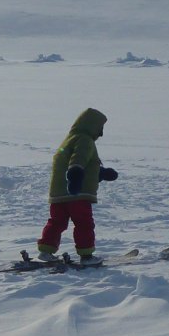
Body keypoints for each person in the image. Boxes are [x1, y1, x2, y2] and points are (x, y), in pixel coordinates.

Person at [37, 108, 118, 265]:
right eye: (100, 129)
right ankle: (86, 256)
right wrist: (74, 178)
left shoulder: (69, 140)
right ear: (92, 126)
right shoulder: (84, 140)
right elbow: (77, 161)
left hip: (58, 195)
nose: (101, 134)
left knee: (57, 222)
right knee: (84, 223)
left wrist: (101, 173)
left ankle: (45, 252)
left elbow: (74, 163)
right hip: (76, 194)